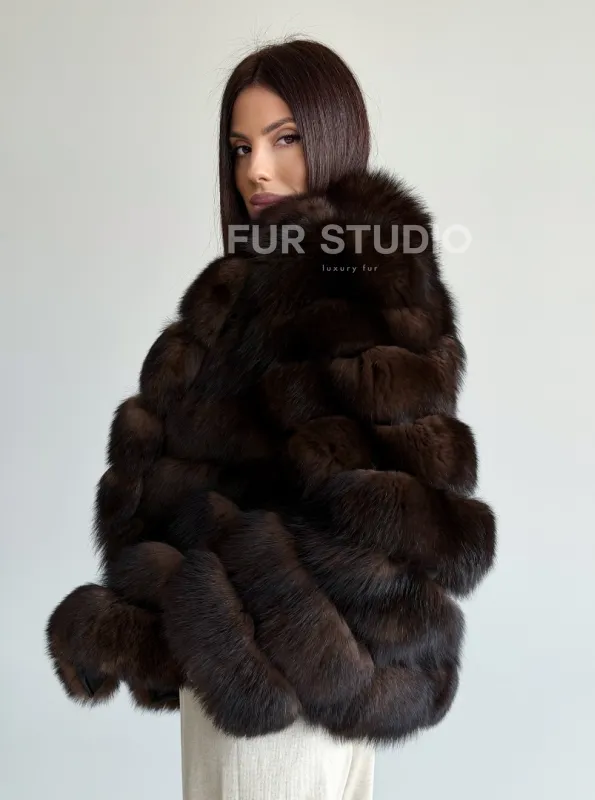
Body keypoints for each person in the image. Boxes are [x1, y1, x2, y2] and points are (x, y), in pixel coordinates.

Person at [45, 36, 496, 800]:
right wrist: (157, 608)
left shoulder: (358, 278)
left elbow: (396, 520)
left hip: (283, 686)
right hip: (239, 674)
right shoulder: (246, 288)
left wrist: (230, 620)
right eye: (240, 146)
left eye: (285, 139)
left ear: (334, 137)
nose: (256, 168)